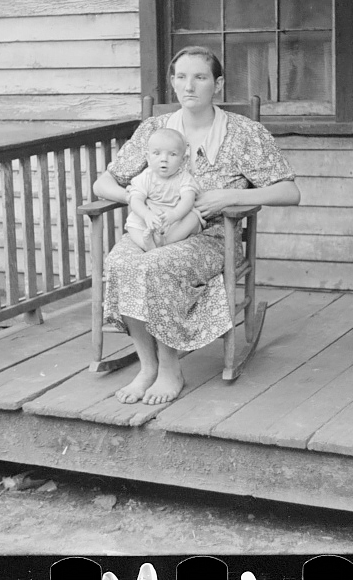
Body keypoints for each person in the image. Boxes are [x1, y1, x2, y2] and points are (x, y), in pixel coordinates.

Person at [92, 46, 301, 405]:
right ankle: (147, 367)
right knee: (122, 262)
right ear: (173, 83)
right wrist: (135, 201)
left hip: (215, 235)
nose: (190, 86)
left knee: (159, 266)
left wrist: (230, 198)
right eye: (181, 77)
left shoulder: (244, 133)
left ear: (217, 84)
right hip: (150, 229)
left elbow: (290, 191)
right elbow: (103, 183)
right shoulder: (154, 130)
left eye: (200, 77)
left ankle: (170, 369)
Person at [124, 128, 202, 251]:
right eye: (157, 153)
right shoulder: (145, 177)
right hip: (151, 218)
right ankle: (146, 243)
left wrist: (175, 215)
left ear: (183, 160)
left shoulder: (184, 178)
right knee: (132, 221)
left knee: (193, 217)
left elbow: (188, 199)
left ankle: (166, 241)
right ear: (148, 157)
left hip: (175, 219)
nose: (164, 159)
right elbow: (136, 200)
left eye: (172, 154)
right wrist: (146, 214)